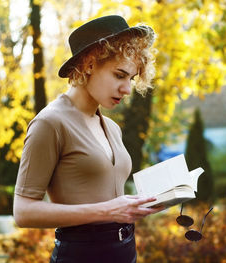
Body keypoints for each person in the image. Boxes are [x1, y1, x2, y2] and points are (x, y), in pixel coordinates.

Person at [13, 15, 162, 263]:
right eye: (119, 75)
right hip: (81, 254)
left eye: (131, 79)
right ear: (89, 64)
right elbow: (23, 211)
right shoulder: (50, 123)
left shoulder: (113, 128)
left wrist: (149, 202)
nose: (127, 89)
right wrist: (108, 210)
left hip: (125, 251)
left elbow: (114, 200)